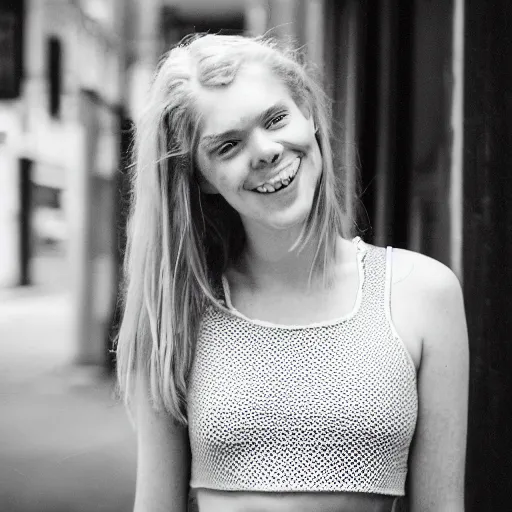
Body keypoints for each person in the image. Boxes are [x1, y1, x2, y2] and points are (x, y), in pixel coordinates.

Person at [115, 33, 469, 512]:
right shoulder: (180, 310)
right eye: (227, 145)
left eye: (275, 119)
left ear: (309, 115)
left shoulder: (423, 294)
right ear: (201, 178)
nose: (264, 151)